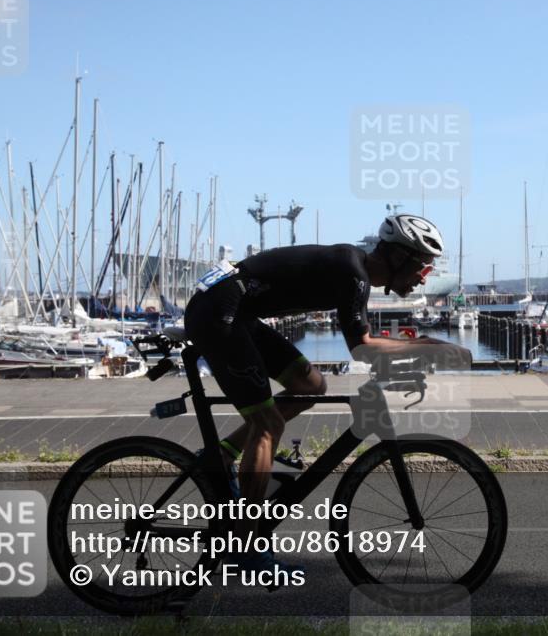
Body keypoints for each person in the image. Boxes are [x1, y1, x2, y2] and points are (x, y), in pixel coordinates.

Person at [183, 214, 471, 575]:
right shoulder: (353, 274)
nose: (424, 275)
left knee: (311, 386)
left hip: (234, 310)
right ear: (399, 257)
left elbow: (364, 343)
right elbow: (362, 348)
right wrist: (427, 347)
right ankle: (245, 549)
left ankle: (222, 456)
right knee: (268, 425)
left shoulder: (354, 270)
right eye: (424, 266)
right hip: (218, 313)